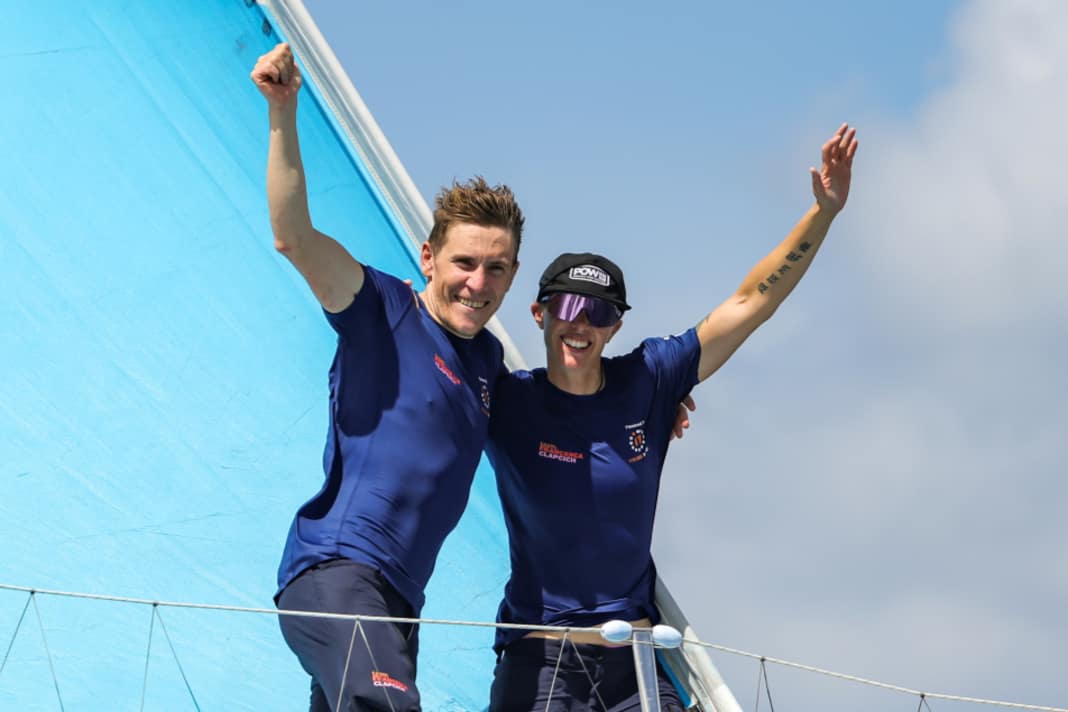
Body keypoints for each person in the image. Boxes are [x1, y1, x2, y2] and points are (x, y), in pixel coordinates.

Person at [486, 124, 859, 711]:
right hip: (541, 663)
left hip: (634, 664)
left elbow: (751, 302)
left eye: (599, 313)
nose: (580, 324)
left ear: (616, 326)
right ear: (539, 313)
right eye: (568, 306)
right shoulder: (508, 401)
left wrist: (823, 213)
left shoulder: (650, 381)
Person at [251, 43, 524, 711]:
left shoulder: (489, 365)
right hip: (338, 574)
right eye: (464, 263)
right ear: (429, 257)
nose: (478, 282)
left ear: (513, 274)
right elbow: (294, 237)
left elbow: (561, 426)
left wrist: (652, 408)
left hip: (399, 604)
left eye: (496, 268)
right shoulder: (382, 308)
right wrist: (283, 111)